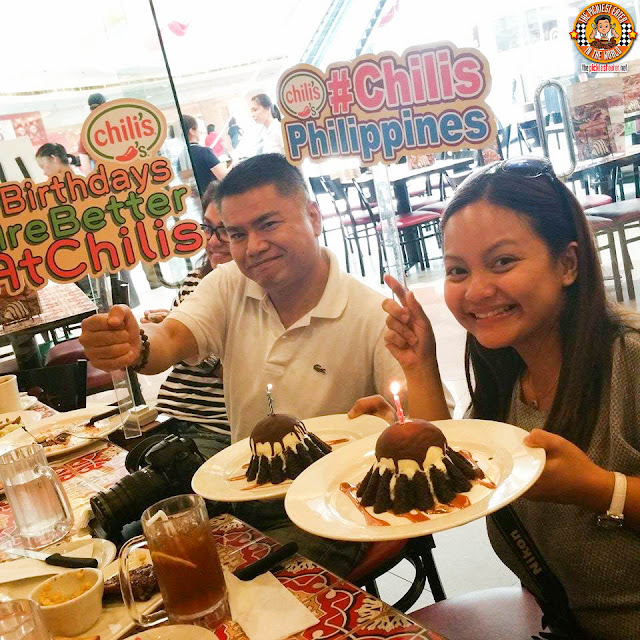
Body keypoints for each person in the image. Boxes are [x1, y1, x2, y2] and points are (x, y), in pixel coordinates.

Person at [79, 153, 438, 576]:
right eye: (237, 233)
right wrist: (134, 344)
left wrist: (397, 411)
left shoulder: (370, 314)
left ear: (313, 216)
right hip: (239, 490)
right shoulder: (230, 284)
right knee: (134, 557)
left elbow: (430, 428)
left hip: (333, 507)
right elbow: (170, 340)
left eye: (268, 224)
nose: (253, 247)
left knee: (254, 591)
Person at [368, 157, 639, 639]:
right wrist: (419, 364)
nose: (477, 290)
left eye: (502, 262)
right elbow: (452, 470)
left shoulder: (630, 360)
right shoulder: (507, 378)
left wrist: (600, 489)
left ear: (568, 264)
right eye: (457, 270)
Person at [142, 182, 231, 457]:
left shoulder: (259, 290)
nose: (213, 241)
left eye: (226, 231)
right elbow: (165, 345)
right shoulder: (195, 279)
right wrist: (161, 331)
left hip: (215, 428)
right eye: (208, 228)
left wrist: (190, 343)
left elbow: (241, 373)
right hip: (168, 418)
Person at [182, 115, 227, 195]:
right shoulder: (204, 152)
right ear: (192, 131)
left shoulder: (182, 157)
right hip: (212, 197)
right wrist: (234, 162)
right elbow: (225, 178)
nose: (200, 132)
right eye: (197, 129)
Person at [78, 93, 107, 174]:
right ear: (105, 105)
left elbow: (84, 160)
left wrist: (90, 177)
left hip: (103, 175)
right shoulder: (115, 122)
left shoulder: (87, 129)